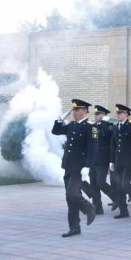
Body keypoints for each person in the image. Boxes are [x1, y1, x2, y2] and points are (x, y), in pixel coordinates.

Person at [51, 99, 96, 237]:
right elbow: (56, 131)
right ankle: (75, 228)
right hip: (69, 167)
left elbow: (93, 149)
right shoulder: (71, 125)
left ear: (85, 111)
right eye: (73, 110)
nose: (74, 113)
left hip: (79, 168)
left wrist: (87, 167)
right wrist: (60, 119)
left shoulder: (91, 127)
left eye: (77, 110)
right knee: (69, 198)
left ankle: (89, 208)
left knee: (72, 194)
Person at [80, 105, 115, 215]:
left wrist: (105, 122)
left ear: (104, 115)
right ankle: (98, 208)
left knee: (101, 183)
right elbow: (94, 140)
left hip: (103, 160)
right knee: (94, 185)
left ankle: (117, 199)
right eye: (94, 114)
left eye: (97, 114)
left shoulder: (109, 125)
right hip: (94, 160)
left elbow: (105, 135)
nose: (95, 116)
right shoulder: (93, 126)